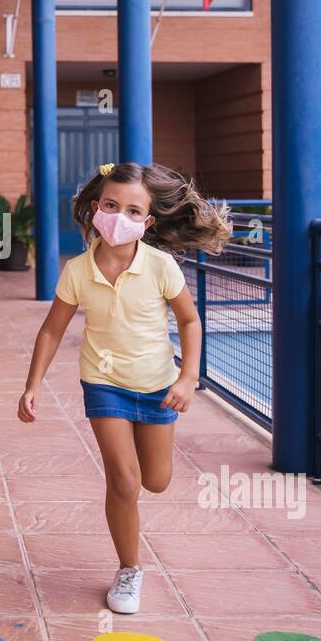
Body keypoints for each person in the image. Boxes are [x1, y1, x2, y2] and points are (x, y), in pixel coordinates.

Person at [18, 161, 230, 612]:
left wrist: (188, 377)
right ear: (96, 208)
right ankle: (129, 570)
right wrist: (32, 384)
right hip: (104, 384)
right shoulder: (77, 270)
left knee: (156, 481)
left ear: (148, 222)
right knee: (124, 480)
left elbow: (189, 320)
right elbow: (52, 330)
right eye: (112, 205)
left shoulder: (160, 266)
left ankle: (133, 535)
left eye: (134, 211)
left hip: (156, 386)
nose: (120, 216)